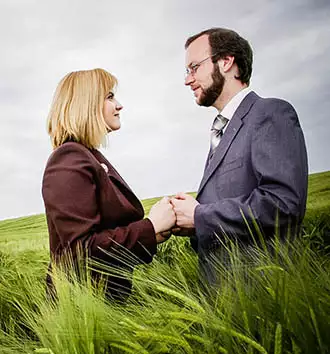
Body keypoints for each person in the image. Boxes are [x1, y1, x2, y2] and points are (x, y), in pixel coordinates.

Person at [171, 28, 308, 283]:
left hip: (264, 296)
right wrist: (192, 223)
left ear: (226, 61)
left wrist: (200, 216)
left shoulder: (270, 113)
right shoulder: (222, 127)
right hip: (223, 298)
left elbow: (283, 203)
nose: (187, 80)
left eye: (194, 67)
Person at [42, 68, 176, 300]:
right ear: (87, 103)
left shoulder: (88, 155)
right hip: (80, 308)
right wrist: (150, 228)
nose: (119, 105)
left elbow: (103, 234)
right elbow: (80, 250)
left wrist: (153, 234)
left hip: (103, 303)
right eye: (110, 97)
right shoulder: (68, 159)